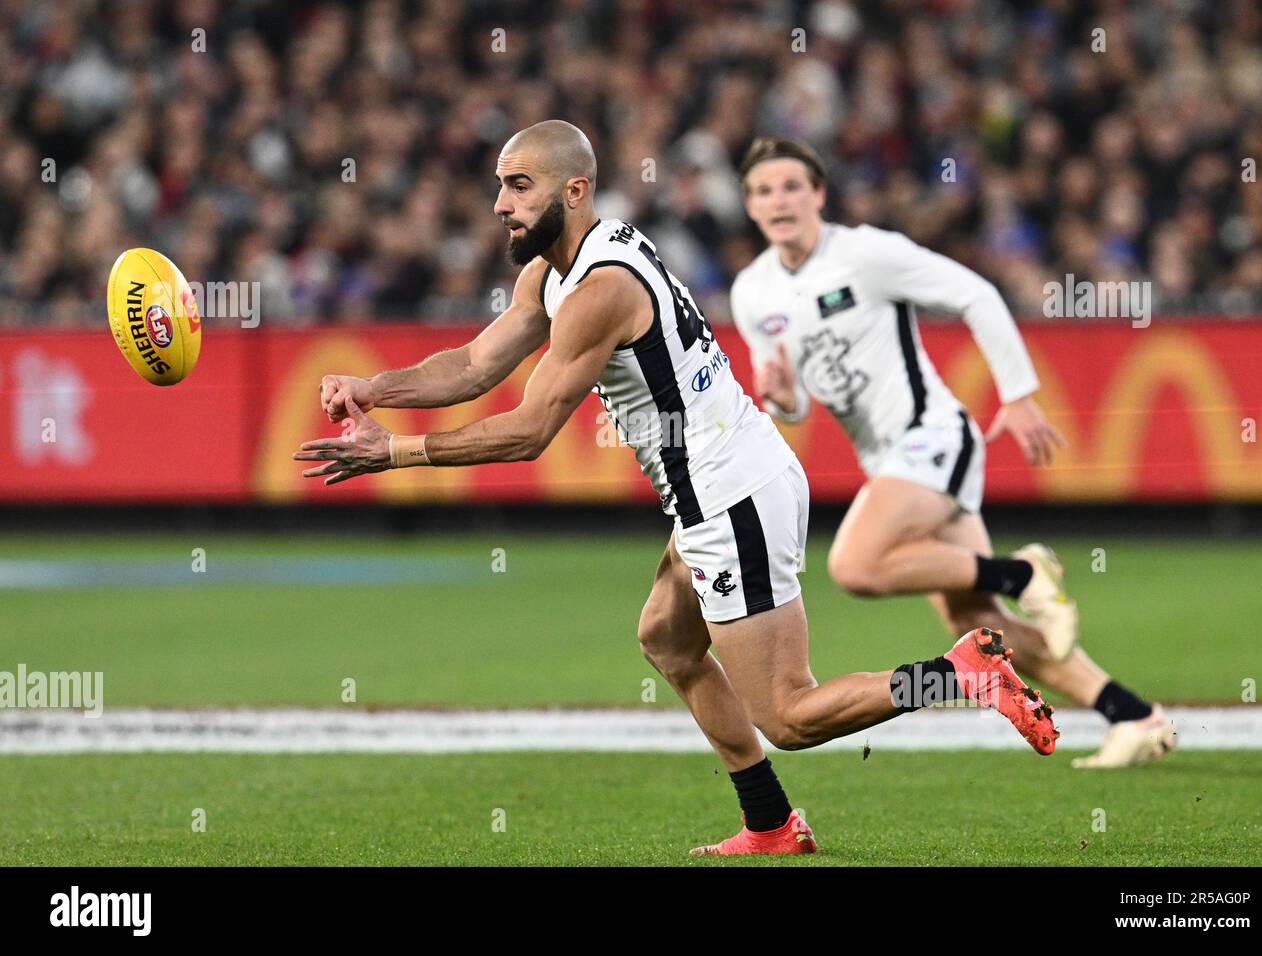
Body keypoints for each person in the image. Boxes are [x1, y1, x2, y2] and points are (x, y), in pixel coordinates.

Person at [294, 120, 1059, 857]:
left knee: (789, 713)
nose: (500, 204)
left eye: (519, 186)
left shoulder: (599, 289)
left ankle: (960, 675)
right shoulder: (562, 268)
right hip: (724, 483)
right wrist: (375, 387)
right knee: (667, 638)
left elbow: (528, 432)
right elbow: (473, 364)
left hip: (731, 495)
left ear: (574, 190)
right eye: (500, 186)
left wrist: (392, 453)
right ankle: (772, 823)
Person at [729, 136, 1174, 770]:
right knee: (978, 621)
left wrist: (1018, 394)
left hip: (934, 436)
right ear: (749, 205)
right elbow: (793, 398)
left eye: (793, 186)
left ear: (819, 194)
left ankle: (1024, 573)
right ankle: (1132, 715)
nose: (780, 200)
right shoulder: (753, 293)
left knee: (856, 565)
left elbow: (977, 294)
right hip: (891, 462)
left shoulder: (867, 254)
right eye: (764, 190)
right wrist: (782, 397)